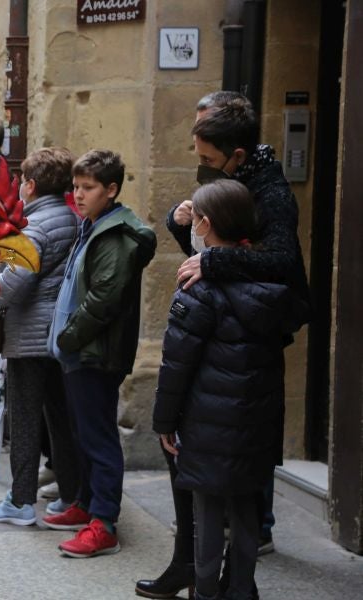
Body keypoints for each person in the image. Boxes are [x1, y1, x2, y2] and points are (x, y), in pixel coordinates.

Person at [153, 179, 303, 600]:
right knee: (247, 509)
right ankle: (240, 589)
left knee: (207, 512)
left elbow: (176, 364)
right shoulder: (273, 291)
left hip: (206, 422)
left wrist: (164, 422)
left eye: (195, 221)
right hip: (255, 423)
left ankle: (204, 591)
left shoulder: (198, 289)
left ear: (205, 223)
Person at [48, 149, 156, 557]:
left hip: (93, 352)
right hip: (80, 351)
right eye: (75, 187)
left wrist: (70, 337)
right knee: (82, 433)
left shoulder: (113, 234)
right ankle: (87, 505)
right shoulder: (93, 225)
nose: (78, 195)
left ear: (111, 190)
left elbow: (103, 298)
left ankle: (104, 522)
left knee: (98, 439)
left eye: (88, 188)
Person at [0, 147, 80, 527]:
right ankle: (70, 495)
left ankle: (21, 502)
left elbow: (12, 284)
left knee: (24, 420)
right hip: (57, 335)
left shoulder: (37, 227)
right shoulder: (69, 217)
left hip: (32, 336)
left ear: (31, 185)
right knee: (58, 418)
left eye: (21, 181)